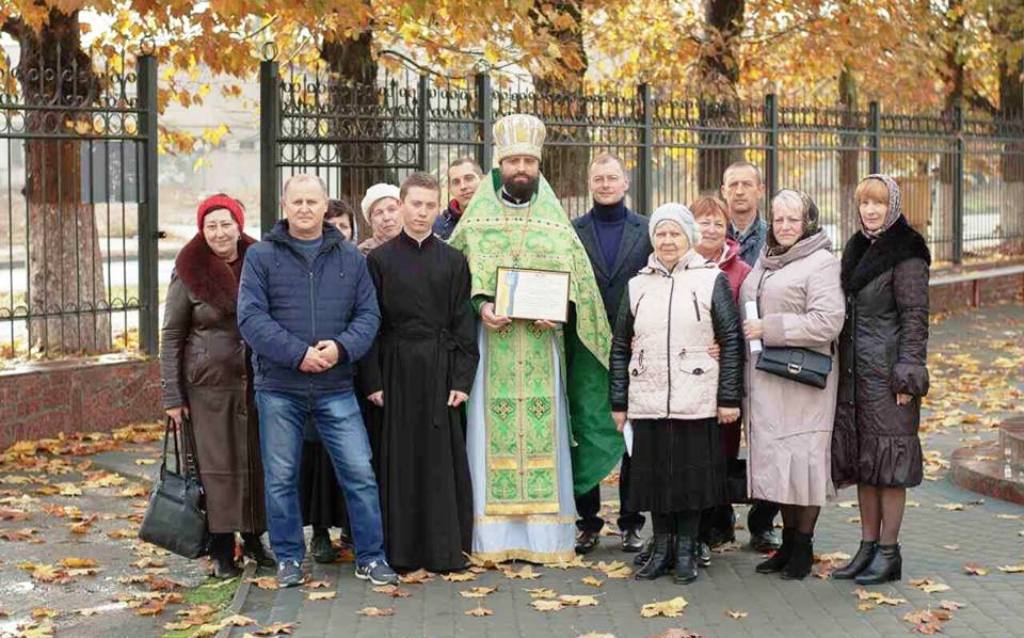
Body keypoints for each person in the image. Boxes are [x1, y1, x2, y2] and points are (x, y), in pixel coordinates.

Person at [448, 114, 623, 564]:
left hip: (545, 352)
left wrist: (561, 313)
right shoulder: (475, 224)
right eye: (513, 161)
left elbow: (580, 289)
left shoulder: (555, 225)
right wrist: (480, 307)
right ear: (499, 166)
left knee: (547, 437)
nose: (521, 168)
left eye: (528, 160)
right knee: (489, 438)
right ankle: (492, 541)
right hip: (493, 354)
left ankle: (547, 541)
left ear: (538, 165)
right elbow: (454, 283)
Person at [237, 174, 398, 588]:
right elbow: (250, 318)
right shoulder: (261, 256)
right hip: (279, 387)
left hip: (336, 386)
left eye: (313, 201)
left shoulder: (349, 257)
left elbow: (369, 316)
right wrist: (298, 354)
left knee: (360, 473)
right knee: (281, 477)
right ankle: (290, 558)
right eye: (298, 202)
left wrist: (340, 349)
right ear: (284, 206)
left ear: (326, 206)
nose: (305, 208)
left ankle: (371, 557)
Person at [609, 203, 743, 584]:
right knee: (654, 478)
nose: (668, 240)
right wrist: (619, 401)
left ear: (689, 237)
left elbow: (730, 339)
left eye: (675, 234)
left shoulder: (710, 279)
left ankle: (686, 548)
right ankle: (662, 545)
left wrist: (728, 397)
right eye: (661, 233)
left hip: (695, 395)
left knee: (689, 479)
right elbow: (620, 345)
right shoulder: (638, 285)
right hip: (648, 397)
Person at [360, 172, 479, 572]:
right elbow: (369, 323)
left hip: (440, 370)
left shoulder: (454, 260)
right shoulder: (378, 261)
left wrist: (462, 380)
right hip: (394, 369)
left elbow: (464, 324)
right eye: (415, 204)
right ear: (402, 204)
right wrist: (373, 379)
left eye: (430, 205)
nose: (423, 212)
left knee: (438, 461)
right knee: (399, 460)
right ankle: (402, 552)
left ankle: (444, 549)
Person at [159, 194, 274, 578]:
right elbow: (172, 335)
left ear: (239, 225)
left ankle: (256, 538)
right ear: (201, 230)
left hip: (258, 380)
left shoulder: (260, 260)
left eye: (227, 224)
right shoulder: (188, 271)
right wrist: (172, 397)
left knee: (256, 462)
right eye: (212, 226)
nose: (220, 232)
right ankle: (222, 548)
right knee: (217, 467)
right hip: (208, 386)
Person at [739, 189, 845, 580]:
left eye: (793, 220)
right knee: (782, 467)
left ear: (808, 223)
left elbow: (827, 321)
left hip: (802, 382)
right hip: (767, 379)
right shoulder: (767, 259)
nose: (784, 227)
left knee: (804, 464)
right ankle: (786, 545)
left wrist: (771, 328)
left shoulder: (820, 263)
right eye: (779, 219)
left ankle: (803, 547)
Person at [831, 175, 930, 585]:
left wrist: (908, 376)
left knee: (890, 464)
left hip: (889, 377)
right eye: (864, 203)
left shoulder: (906, 252)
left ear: (893, 205)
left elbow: (915, 318)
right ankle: (867, 547)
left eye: (878, 203)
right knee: (866, 462)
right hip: (856, 375)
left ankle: (889, 553)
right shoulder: (857, 247)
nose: (870, 210)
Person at [571, 152, 651, 555]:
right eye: (598, 177)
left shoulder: (648, 230)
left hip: (635, 347)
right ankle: (587, 522)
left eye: (612, 177)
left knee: (633, 435)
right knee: (585, 432)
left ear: (625, 182)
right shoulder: (572, 231)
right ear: (590, 183)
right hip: (586, 350)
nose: (605, 183)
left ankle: (632, 523)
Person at [720, 161, 779, 553]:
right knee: (719, 440)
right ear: (724, 191)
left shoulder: (777, 236)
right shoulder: (708, 231)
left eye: (746, 184)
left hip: (765, 356)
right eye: (732, 185)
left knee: (766, 439)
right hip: (720, 357)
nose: (739, 192)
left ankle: (763, 522)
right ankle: (718, 516)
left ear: (760, 189)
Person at [691, 194, 752, 556]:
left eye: (718, 223)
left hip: (722, 381)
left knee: (720, 453)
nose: (711, 229)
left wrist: (726, 347)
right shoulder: (677, 264)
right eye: (704, 222)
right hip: (685, 379)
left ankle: (717, 523)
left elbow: (748, 325)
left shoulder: (740, 272)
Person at [299, 195, 358, 564]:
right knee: (317, 457)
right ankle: (319, 529)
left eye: (344, 227)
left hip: (352, 368)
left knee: (353, 460)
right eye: (331, 226)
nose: (338, 233)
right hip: (313, 369)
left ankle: (351, 525)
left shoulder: (360, 263)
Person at [434, 157, 483, 240]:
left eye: (469, 178)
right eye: (456, 182)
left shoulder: (502, 219)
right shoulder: (437, 227)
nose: (463, 186)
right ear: (450, 189)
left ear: (483, 180)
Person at [358, 183, 402, 255]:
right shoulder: (361, 254)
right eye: (379, 213)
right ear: (370, 221)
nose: (386, 218)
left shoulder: (419, 247)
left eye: (391, 209)